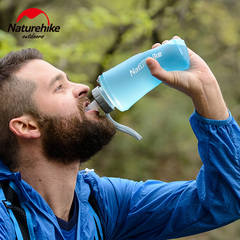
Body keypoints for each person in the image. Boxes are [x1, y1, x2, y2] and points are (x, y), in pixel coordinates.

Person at [0, 36, 239, 240]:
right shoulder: (6, 219)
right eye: (59, 87)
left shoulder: (102, 203)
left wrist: (207, 91)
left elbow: (224, 198)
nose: (83, 87)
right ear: (26, 126)